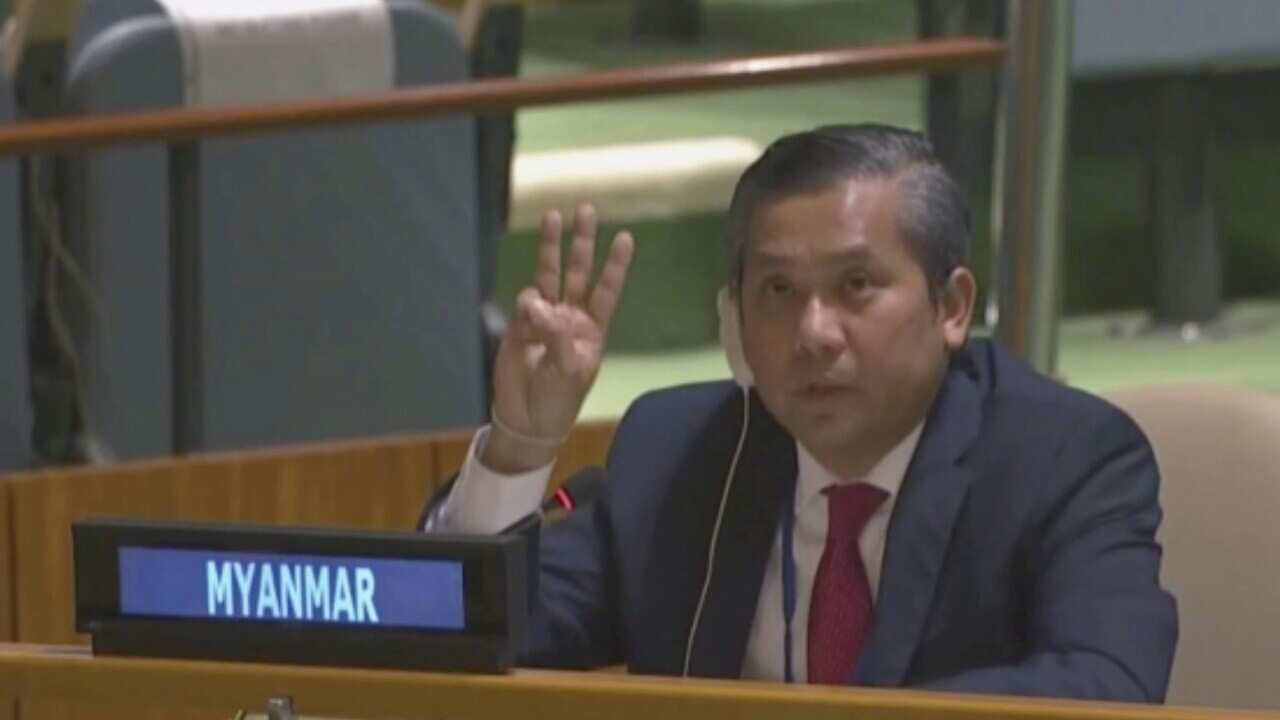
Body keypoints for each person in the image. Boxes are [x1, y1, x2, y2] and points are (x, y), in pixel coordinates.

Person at [420, 124, 1177, 701]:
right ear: (736, 316)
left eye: (855, 286)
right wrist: (520, 446)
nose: (813, 333)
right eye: (778, 293)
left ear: (951, 307)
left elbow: (1107, 687)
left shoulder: (1064, 457)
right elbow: (474, 634)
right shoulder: (679, 451)